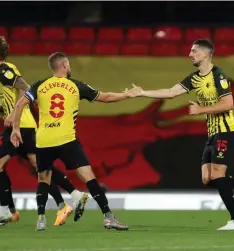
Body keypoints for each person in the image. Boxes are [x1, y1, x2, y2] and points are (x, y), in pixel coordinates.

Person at [132, 39, 234, 230]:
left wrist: (200, 109)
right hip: (213, 133)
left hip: (226, 131)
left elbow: (229, 104)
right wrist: (142, 93)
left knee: (219, 175)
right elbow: (171, 92)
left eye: (193, 51)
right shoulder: (195, 78)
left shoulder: (219, 75)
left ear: (205, 54)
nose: (190, 54)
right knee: (208, 179)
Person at [10, 52, 139, 231]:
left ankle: (40, 220)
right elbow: (105, 97)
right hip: (66, 139)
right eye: (68, 64)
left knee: (43, 178)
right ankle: (108, 217)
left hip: (44, 140)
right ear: (64, 65)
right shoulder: (75, 85)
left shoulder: (39, 85)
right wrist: (128, 95)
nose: (69, 67)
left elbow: (19, 105)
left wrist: (16, 129)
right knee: (88, 177)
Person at [0, 36, 87, 227]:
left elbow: (25, 87)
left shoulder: (4, 70)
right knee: (39, 166)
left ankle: (7, 210)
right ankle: (71, 197)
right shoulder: (3, 72)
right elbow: (15, 94)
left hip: (19, 126)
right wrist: (0, 106)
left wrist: (14, 116)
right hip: (26, 126)